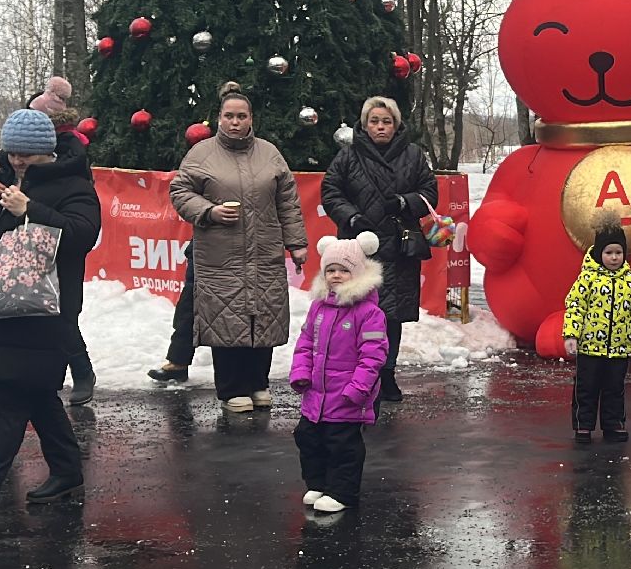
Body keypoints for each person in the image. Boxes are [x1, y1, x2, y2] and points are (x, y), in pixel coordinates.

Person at [0, 109, 101, 518]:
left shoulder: (74, 184)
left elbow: (82, 236)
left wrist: (31, 210)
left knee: (10, 396)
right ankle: (67, 470)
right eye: (13, 153)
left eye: (27, 155)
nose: (18, 162)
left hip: (43, 308)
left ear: (47, 151)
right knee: (37, 392)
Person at [169, 83, 308, 412]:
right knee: (226, 319)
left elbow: (287, 201)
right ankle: (232, 390)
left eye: (241, 116)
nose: (235, 122)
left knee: (264, 317)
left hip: (265, 251)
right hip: (220, 254)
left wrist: (297, 243)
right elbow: (180, 192)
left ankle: (258, 382)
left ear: (251, 119)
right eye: (229, 116)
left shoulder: (270, 153)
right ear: (219, 118)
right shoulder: (201, 154)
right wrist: (209, 211)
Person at [320, 96, 436, 403]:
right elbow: (330, 192)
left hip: (398, 246)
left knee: (391, 315)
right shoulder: (348, 156)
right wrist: (351, 217)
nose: (380, 127)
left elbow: (429, 193)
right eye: (374, 121)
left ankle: (386, 373)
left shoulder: (413, 154)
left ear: (396, 124)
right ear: (364, 124)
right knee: (356, 311)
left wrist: (402, 202)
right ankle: (356, 373)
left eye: (386, 121)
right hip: (359, 246)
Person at [290, 232, 389, 514]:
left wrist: (359, 388)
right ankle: (318, 483)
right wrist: (301, 372)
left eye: (343, 270)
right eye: (330, 270)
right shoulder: (319, 307)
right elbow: (305, 342)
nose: (335, 275)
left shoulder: (369, 313)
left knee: (342, 445)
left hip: (347, 396)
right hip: (316, 395)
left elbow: (373, 355)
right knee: (308, 438)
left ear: (356, 273)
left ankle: (342, 491)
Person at [26, 76, 95, 402]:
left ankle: (82, 372)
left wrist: (33, 208)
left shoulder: (71, 157)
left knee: (64, 315)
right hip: (24, 251)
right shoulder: (14, 162)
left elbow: (80, 226)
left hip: (60, 251)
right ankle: (45, 375)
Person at [561, 216, 631, 444]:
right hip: (591, 347)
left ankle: (614, 424)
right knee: (587, 387)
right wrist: (571, 334)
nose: (614, 258)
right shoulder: (587, 279)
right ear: (599, 253)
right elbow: (575, 307)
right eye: (609, 253)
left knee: (614, 389)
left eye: (618, 253)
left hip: (619, 349)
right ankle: (584, 425)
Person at [145, 248, 197, 383]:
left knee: (231, 318)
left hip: (234, 251)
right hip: (203, 250)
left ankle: (242, 374)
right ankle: (178, 363)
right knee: (187, 311)